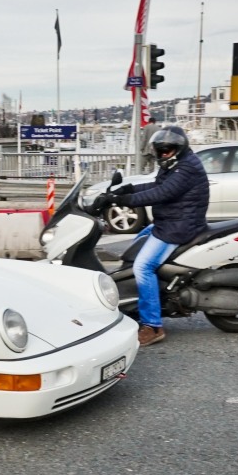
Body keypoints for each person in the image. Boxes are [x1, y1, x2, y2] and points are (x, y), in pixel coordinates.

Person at [93, 125, 209, 347]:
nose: (163, 154)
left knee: (142, 266)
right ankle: (141, 301)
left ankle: (153, 325)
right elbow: (155, 184)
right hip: (169, 222)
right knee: (135, 247)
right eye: (160, 151)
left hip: (179, 227)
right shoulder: (175, 165)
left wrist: (122, 201)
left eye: (167, 150)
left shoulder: (187, 168)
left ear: (179, 149)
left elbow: (161, 193)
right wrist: (124, 190)